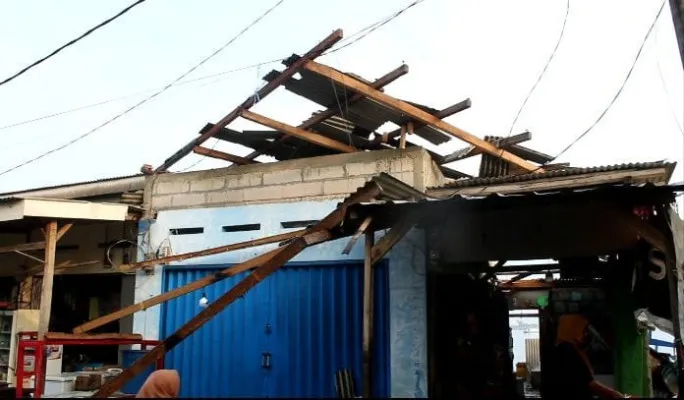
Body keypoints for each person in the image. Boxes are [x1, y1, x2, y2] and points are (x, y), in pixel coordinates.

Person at [546, 314, 636, 399]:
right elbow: (589, 384)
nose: (585, 335)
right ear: (573, 329)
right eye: (583, 330)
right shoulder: (566, 350)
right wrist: (619, 396)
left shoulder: (559, 351)